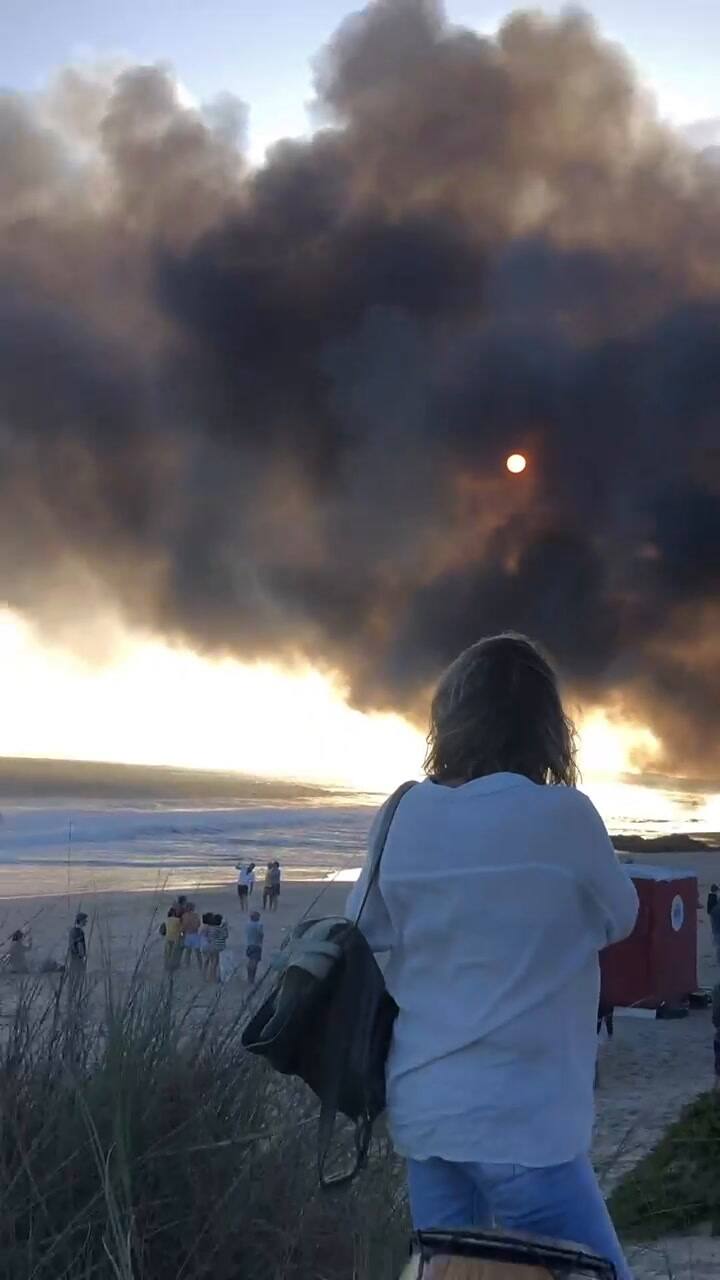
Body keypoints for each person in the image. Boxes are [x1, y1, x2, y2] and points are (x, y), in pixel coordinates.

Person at [347, 634, 638, 1280]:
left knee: (451, 1274)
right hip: (528, 1124)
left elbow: (362, 931)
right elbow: (622, 916)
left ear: (449, 723)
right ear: (547, 731)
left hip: (426, 1109)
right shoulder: (568, 817)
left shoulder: (403, 813)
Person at [67, 912, 88, 999]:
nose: (86, 922)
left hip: (72, 959)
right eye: (85, 920)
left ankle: (71, 997)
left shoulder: (72, 931)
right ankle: (76, 998)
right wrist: (83, 955)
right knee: (79, 979)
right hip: (78, 959)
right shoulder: (79, 932)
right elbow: (80, 946)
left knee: (72, 981)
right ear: (81, 921)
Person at [205, 913, 229, 983]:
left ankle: (209, 977)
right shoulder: (219, 929)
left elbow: (207, 936)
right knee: (215, 963)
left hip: (210, 946)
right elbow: (225, 936)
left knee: (212, 962)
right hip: (217, 947)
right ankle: (213, 978)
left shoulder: (210, 927)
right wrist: (225, 927)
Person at [180, 902, 202, 968]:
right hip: (195, 934)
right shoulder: (196, 915)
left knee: (188, 951)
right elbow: (198, 924)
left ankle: (187, 964)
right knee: (197, 951)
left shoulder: (184, 916)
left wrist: (182, 934)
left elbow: (183, 926)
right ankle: (200, 964)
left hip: (187, 934)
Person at [245, 911, 264, 984]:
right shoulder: (259, 925)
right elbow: (260, 934)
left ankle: (249, 977)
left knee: (250, 961)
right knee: (254, 962)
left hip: (249, 945)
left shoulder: (247, 924)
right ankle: (252, 978)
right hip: (257, 945)